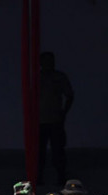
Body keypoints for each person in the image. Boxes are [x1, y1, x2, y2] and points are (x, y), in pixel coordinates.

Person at [38, 51, 74, 185]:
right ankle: (39, 176)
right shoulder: (38, 77)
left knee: (58, 150)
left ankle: (61, 175)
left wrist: (63, 113)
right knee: (40, 151)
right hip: (40, 121)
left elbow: (70, 95)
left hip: (55, 120)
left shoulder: (59, 77)